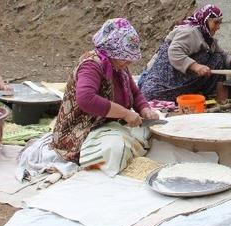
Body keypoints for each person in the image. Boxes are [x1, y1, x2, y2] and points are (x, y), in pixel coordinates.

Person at [51, 18, 160, 172]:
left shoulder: (119, 66)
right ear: (111, 49)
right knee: (116, 148)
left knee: (154, 128)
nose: (128, 61)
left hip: (111, 125)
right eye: (124, 56)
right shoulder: (91, 65)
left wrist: (144, 109)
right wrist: (125, 113)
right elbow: (86, 99)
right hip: (84, 129)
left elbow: (135, 93)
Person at [139, 4, 231, 102]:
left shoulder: (206, 37)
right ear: (206, 20)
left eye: (220, 23)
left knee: (218, 58)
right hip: (164, 77)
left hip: (179, 77)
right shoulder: (190, 32)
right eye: (216, 23)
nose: (218, 27)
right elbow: (174, 51)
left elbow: (221, 53)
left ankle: (204, 94)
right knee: (151, 94)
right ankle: (187, 94)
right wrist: (195, 66)